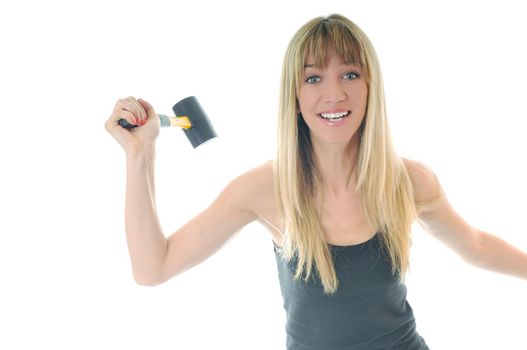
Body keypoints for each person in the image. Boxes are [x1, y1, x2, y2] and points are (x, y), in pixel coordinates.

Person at [105, 14, 527, 350]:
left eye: (349, 74)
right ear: (295, 95)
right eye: (313, 78)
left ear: (371, 86)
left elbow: (477, 247)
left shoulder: (408, 181)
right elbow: (152, 268)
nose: (334, 94)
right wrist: (140, 155)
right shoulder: (265, 189)